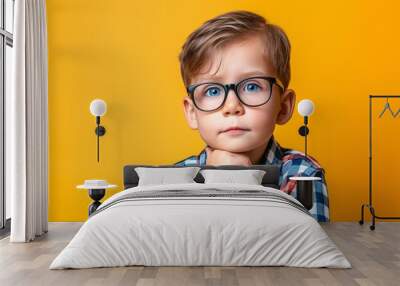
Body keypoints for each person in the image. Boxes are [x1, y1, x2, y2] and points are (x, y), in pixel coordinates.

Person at [174, 10, 329, 222]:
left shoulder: (302, 174)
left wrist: (243, 184)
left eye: (252, 86)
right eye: (212, 90)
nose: (232, 106)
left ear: (283, 107)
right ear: (192, 113)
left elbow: (306, 249)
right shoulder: (175, 179)